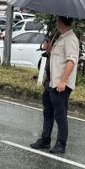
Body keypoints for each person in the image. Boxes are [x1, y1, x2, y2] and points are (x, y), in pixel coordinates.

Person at [31, 16, 79, 155]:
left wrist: (63, 81)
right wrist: (50, 49)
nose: (56, 24)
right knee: (48, 111)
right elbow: (59, 59)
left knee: (60, 114)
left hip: (60, 84)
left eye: (58, 21)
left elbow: (71, 62)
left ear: (61, 22)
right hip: (52, 82)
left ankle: (61, 143)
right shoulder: (62, 38)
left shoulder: (70, 39)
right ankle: (45, 139)